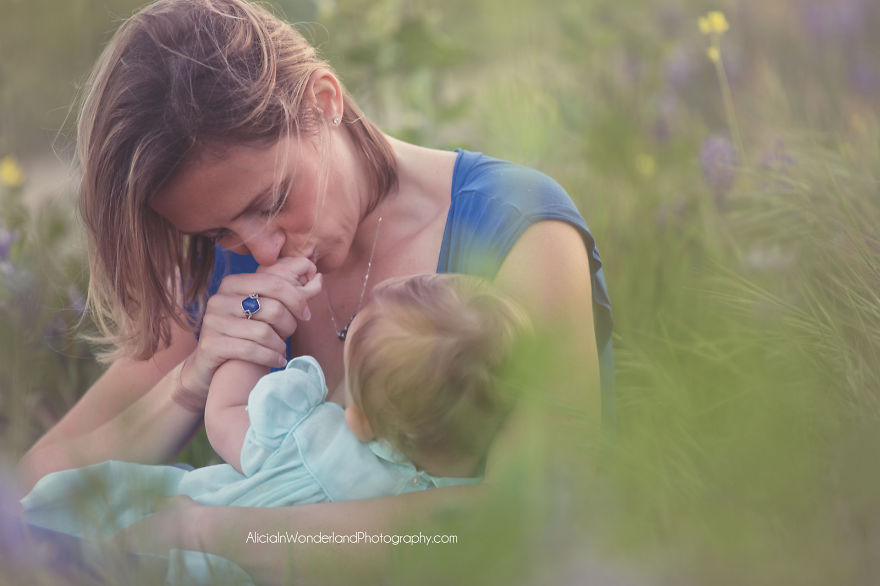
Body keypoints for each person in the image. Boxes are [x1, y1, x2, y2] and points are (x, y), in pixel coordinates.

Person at [17, 0, 613, 582]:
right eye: (219, 230)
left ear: (323, 101)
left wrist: (220, 532)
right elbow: (37, 485)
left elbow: (537, 517)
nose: (261, 251)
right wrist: (190, 380)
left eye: (271, 203)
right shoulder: (221, 268)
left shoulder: (517, 229)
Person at [20, 273, 529, 583]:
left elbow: (225, 417)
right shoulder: (459, 500)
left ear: (362, 418)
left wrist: (257, 318)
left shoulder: (313, 441)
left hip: (165, 548)